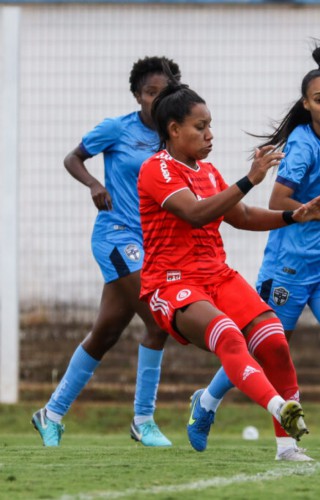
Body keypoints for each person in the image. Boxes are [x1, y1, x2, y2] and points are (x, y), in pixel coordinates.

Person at [186, 41, 320, 460]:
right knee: (264, 349)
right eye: (319, 100)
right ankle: (206, 401)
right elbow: (280, 202)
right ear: (307, 104)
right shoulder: (301, 145)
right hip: (287, 269)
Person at [138, 75, 320, 457]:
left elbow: (241, 215)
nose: (210, 134)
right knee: (228, 335)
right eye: (201, 126)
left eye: (210, 124)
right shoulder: (156, 169)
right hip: (171, 282)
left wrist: (296, 216)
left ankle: (286, 447)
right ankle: (281, 408)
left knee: (274, 339)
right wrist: (251, 178)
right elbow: (194, 214)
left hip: (218, 276)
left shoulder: (209, 173)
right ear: (174, 130)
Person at [32, 56, 181, 447]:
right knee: (158, 322)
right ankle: (143, 419)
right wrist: (95, 184)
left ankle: (51, 413)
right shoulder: (117, 128)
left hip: (151, 242)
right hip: (116, 235)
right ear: (137, 95)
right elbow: (73, 157)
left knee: (106, 332)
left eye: (164, 93)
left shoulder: (174, 137)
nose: (156, 99)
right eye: (150, 92)